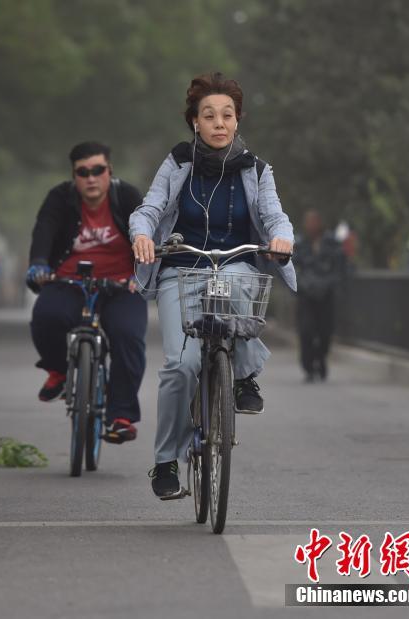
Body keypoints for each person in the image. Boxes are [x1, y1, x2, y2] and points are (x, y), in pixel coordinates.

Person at [129, 73, 296, 498]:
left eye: (227, 115)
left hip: (234, 264)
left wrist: (282, 237)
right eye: (209, 116)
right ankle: (166, 462)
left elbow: (274, 215)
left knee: (243, 284)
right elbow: (149, 209)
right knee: (180, 367)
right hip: (181, 269)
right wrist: (142, 235)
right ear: (195, 122)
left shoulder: (257, 169)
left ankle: (241, 375)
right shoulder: (177, 163)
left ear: (237, 121)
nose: (219, 123)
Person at [26, 141, 147, 444]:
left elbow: (148, 235)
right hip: (69, 282)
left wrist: (142, 275)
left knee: (128, 336)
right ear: (74, 176)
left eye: (97, 170)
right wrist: (39, 264)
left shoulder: (128, 197)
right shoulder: (60, 198)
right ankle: (58, 371)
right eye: (83, 172)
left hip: (121, 285)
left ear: (109, 172)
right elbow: (44, 229)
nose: (91, 178)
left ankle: (121, 416)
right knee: (45, 317)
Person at [293, 209, 345, 382]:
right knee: (306, 331)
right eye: (309, 221)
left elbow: (340, 268)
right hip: (306, 295)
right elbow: (292, 268)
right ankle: (309, 368)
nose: (312, 225)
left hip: (326, 295)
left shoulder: (332, 243)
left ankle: (321, 358)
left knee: (325, 332)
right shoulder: (300, 243)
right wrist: (301, 286)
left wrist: (329, 284)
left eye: (314, 221)